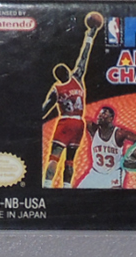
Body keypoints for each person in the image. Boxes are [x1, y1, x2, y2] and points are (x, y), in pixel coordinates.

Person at [42, 12, 103, 188]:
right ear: (68, 72)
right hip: (78, 123)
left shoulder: (56, 90)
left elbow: (44, 110)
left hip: (65, 122)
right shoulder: (77, 78)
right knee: (70, 160)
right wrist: (90, 35)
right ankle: (67, 187)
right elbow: (84, 56)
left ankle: (47, 185)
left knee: (54, 157)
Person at [76, 106, 136, 189]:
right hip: (96, 172)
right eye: (99, 114)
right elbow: (80, 119)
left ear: (111, 119)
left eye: (104, 114)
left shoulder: (119, 133)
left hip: (114, 173)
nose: (100, 116)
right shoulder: (93, 129)